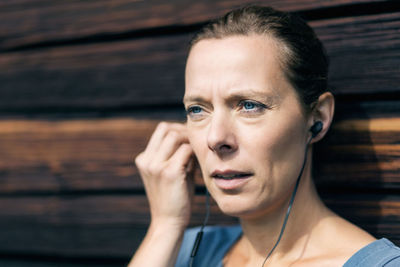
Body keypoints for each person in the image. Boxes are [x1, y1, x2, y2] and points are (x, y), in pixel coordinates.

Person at [128, 5, 400, 267]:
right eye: (197, 110)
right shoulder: (181, 250)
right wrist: (165, 226)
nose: (216, 138)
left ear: (317, 118)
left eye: (249, 105)